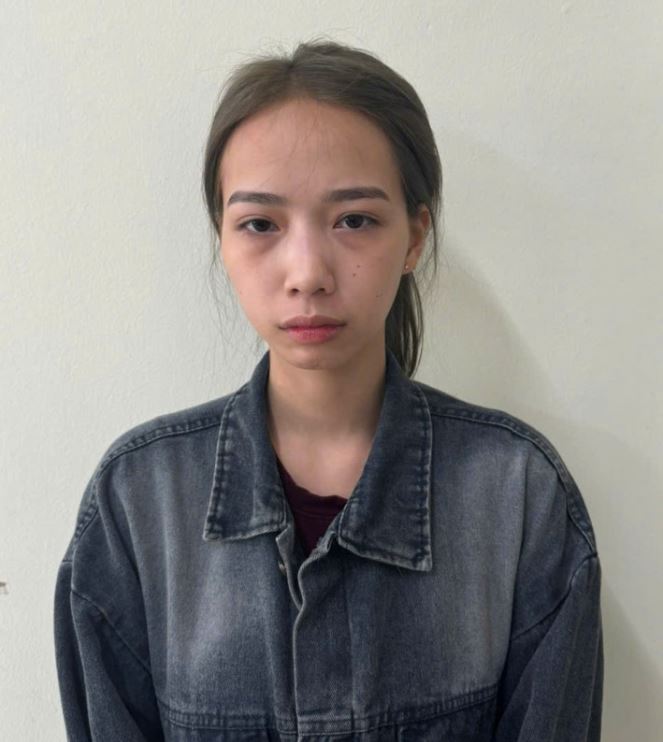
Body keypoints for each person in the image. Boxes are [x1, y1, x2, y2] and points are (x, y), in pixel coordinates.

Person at [54, 39, 604, 741]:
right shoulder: (138, 500)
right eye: (260, 224)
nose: (307, 273)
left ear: (413, 237)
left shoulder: (516, 494)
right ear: (222, 240)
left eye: (354, 220)